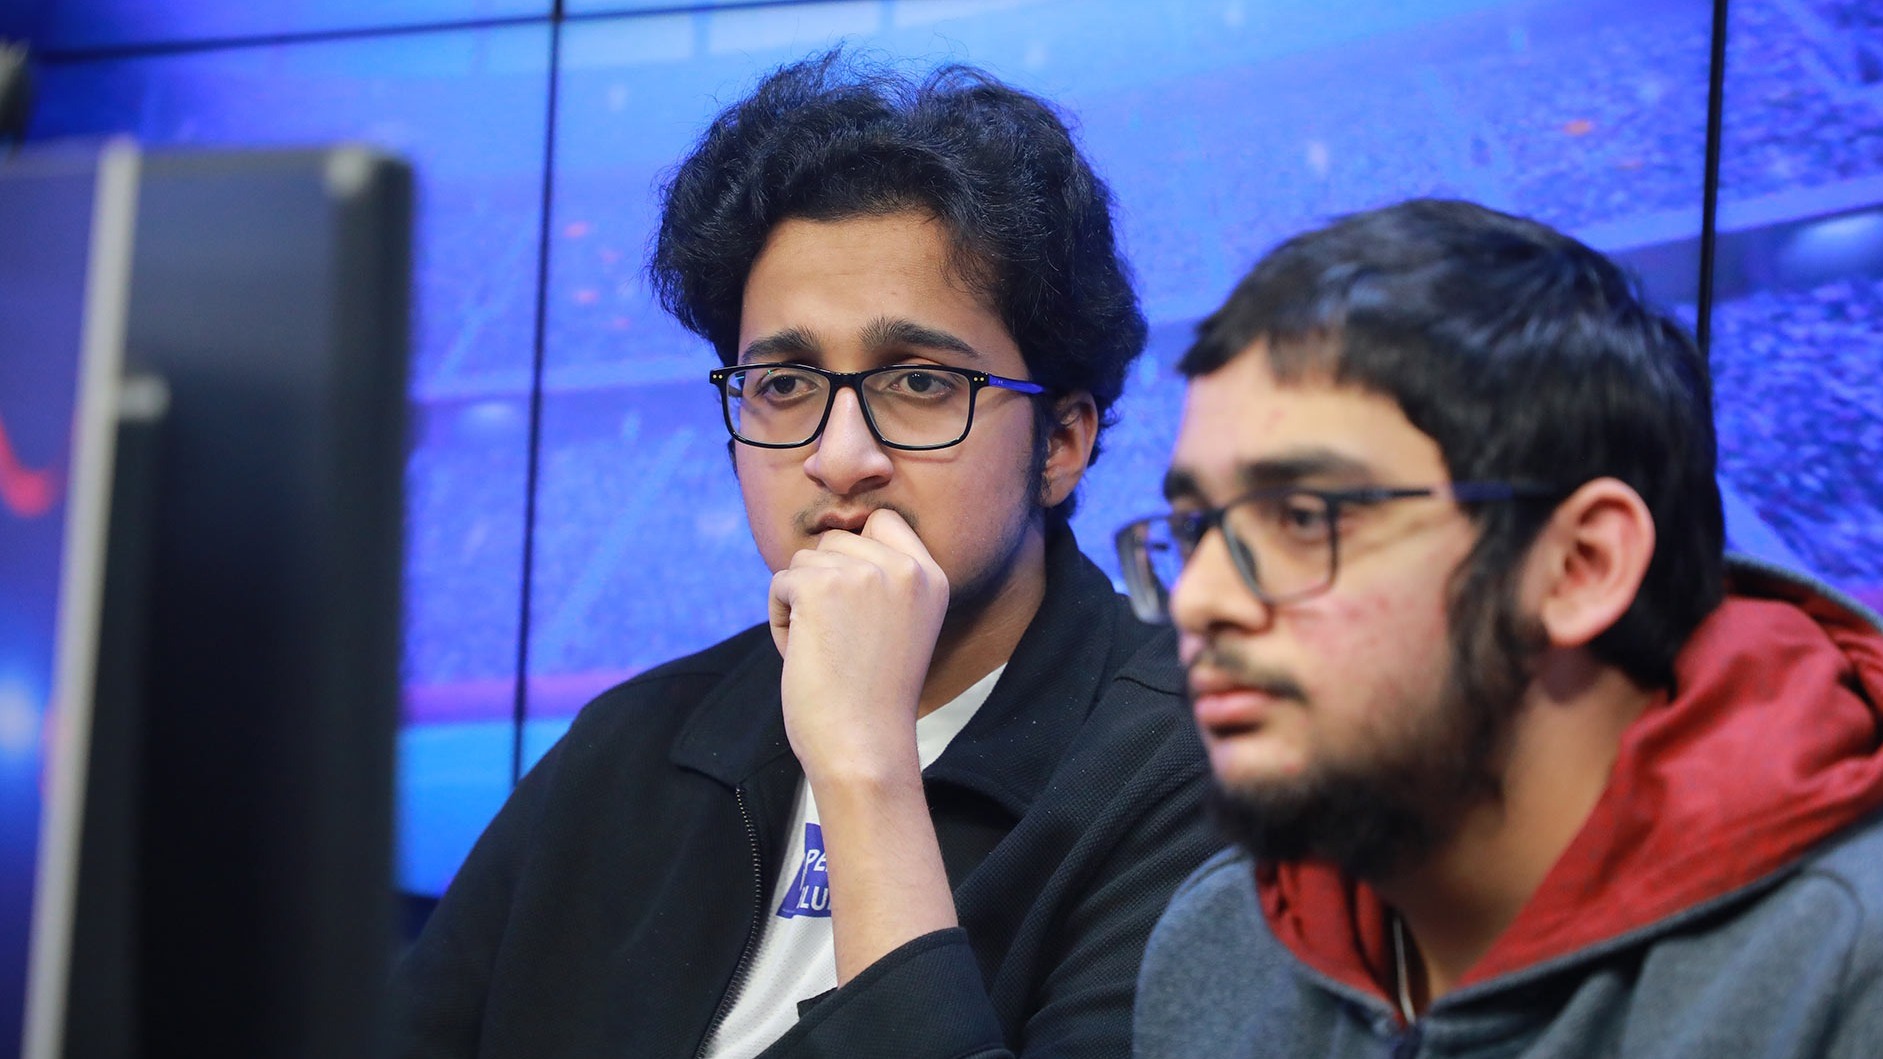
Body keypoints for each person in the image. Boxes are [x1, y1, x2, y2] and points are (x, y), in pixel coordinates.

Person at [394, 51, 1219, 1059]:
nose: (838, 457)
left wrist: (865, 765)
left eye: (920, 382)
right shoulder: (629, 745)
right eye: (783, 385)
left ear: (1062, 444)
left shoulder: (1196, 767)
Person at [1126, 198, 1883, 1058]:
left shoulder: (1848, 972)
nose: (1197, 600)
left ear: (1579, 565)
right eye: (1194, 529)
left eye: (1302, 517)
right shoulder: (1215, 942)